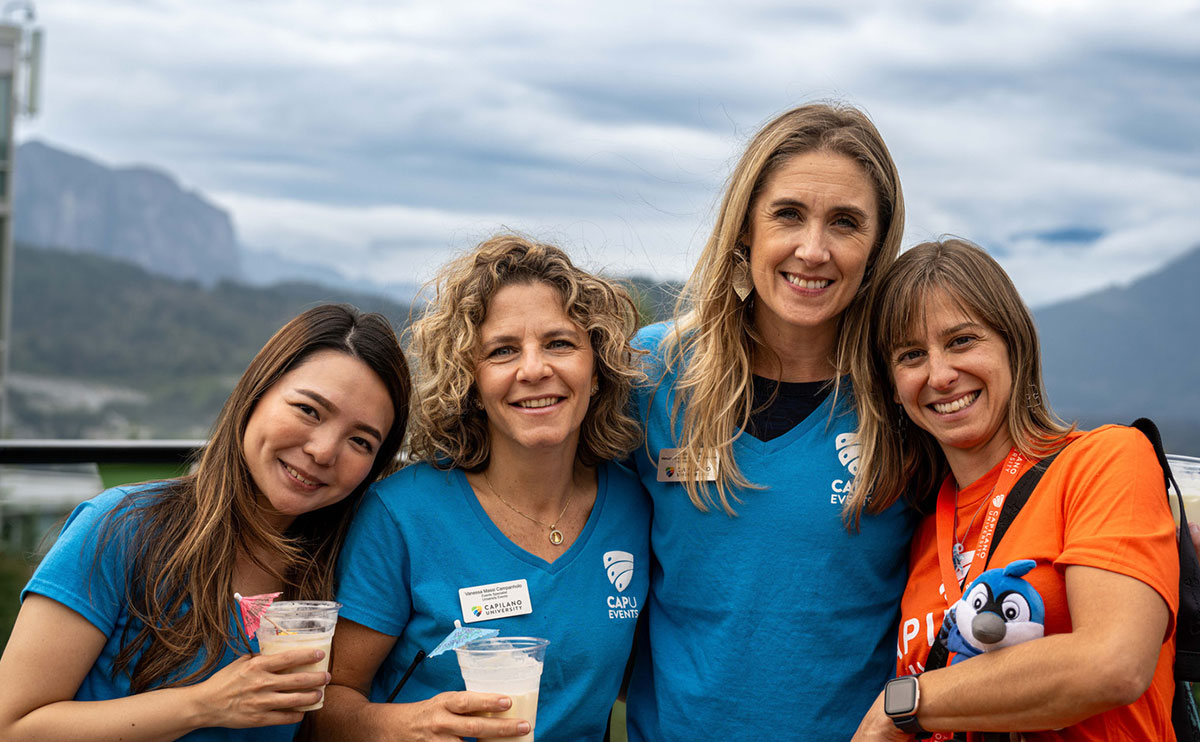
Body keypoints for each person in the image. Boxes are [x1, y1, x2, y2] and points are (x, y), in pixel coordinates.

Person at [625, 102, 915, 740]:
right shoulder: (653, 371)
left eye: (845, 223)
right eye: (788, 214)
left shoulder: (905, 397)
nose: (813, 250)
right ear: (746, 229)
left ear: (876, 247)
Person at [0, 304, 411, 742]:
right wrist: (204, 705)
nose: (324, 450)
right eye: (309, 410)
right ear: (254, 396)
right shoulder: (122, 527)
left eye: (360, 441)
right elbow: (13, 725)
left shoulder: (347, 568)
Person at [312, 234, 650, 741]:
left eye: (559, 343)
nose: (534, 369)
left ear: (597, 368)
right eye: (503, 350)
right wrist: (404, 723)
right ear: (469, 380)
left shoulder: (635, 505)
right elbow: (327, 706)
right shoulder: (402, 514)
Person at [850, 239, 1177, 740]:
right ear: (892, 385)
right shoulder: (918, 527)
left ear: (1013, 344)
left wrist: (901, 707)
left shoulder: (1105, 461)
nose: (940, 375)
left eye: (962, 341)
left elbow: (1113, 662)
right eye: (912, 355)